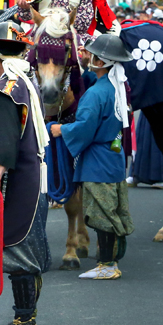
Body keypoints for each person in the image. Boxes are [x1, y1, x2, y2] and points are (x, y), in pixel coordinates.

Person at [0, 22, 50, 325]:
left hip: (16, 178)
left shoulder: (6, 88)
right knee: (25, 245)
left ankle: (25, 321)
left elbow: (6, 137)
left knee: (17, 247)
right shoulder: (24, 80)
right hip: (32, 174)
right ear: (24, 51)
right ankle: (27, 315)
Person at [50, 33, 135, 280]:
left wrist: (61, 129)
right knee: (111, 211)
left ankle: (107, 265)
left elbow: (85, 127)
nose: (87, 57)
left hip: (97, 161)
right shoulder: (117, 88)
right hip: (114, 158)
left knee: (102, 215)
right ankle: (108, 262)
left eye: (92, 55)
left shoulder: (96, 94)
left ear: (101, 62)